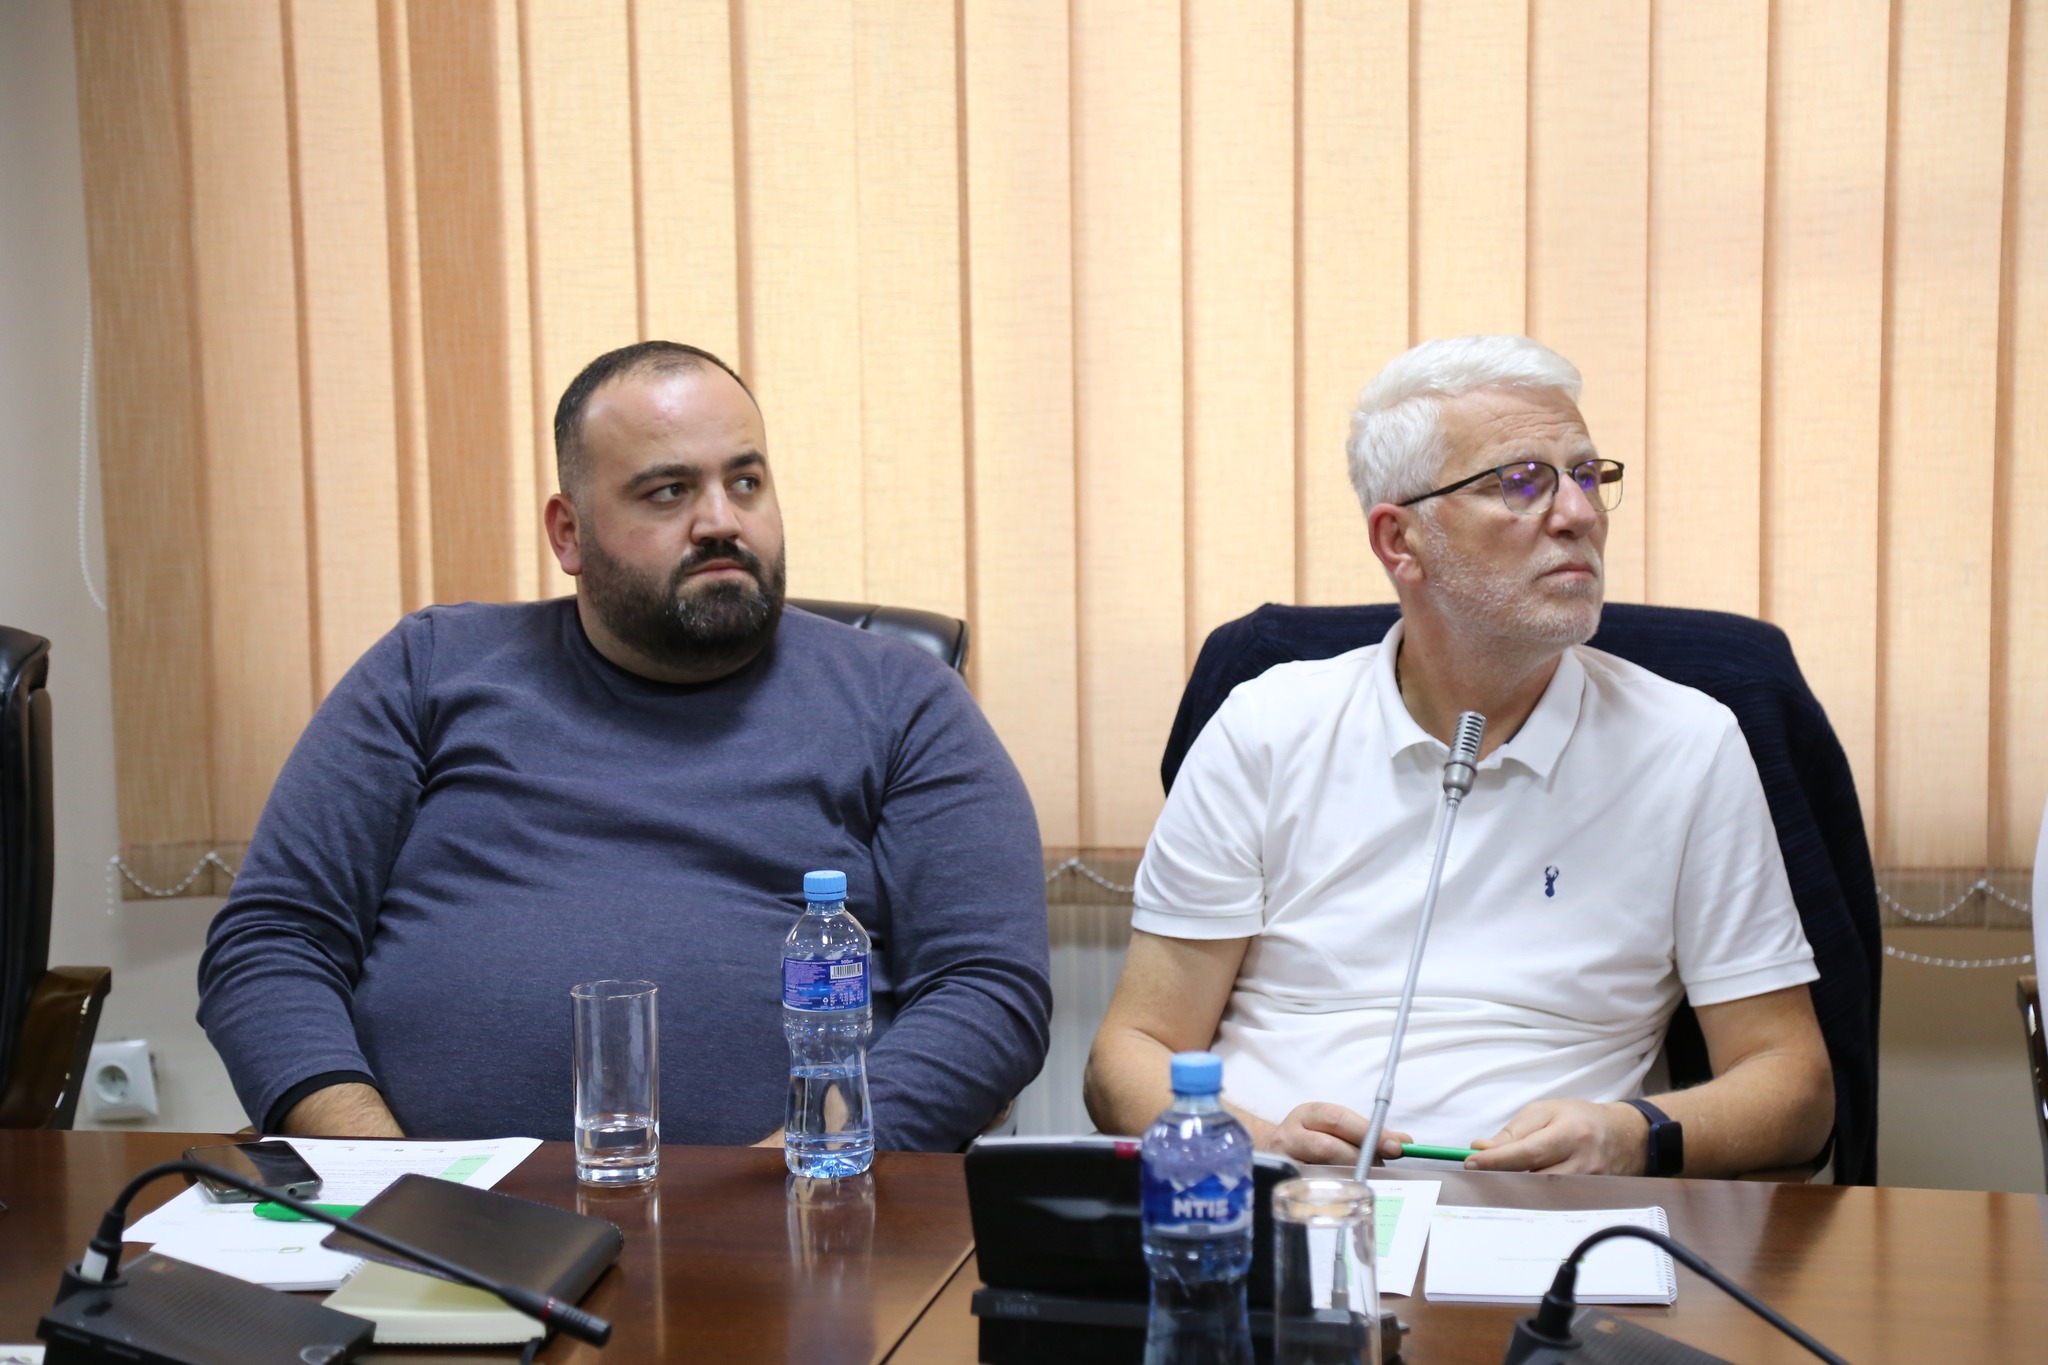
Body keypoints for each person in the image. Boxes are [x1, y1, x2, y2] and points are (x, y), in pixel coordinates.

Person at [200, 341, 1052, 1150]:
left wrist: (798, 1168)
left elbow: (988, 990)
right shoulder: (429, 669)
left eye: (746, 481)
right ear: (568, 532)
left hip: (787, 1216)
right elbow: (273, 941)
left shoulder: (901, 700)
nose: (721, 521)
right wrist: (378, 1172)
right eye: (668, 491)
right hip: (430, 1213)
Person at [1084, 335, 1834, 1177]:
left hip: (1541, 1219)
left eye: (1588, 476)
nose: (1579, 514)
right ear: (1400, 541)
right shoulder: (1266, 724)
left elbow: (1795, 1086)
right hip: (1287, 1202)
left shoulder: (1687, 743)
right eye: (1523, 482)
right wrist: (1254, 1145)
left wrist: (1633, 1134)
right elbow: (1129, 1051)